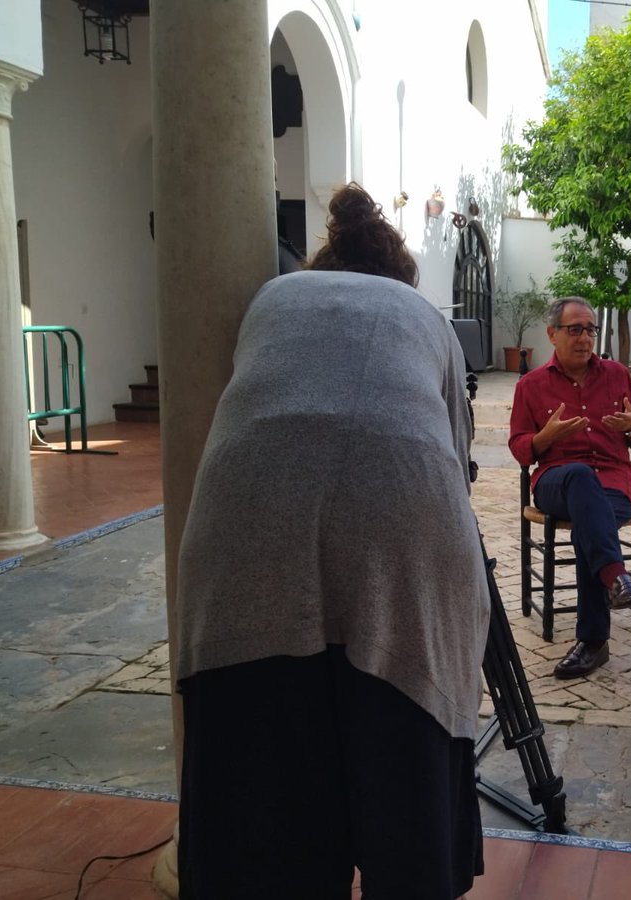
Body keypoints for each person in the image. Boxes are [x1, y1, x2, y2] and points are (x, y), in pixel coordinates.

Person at [174, 183, 488, 899]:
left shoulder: (273, 298)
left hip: (242, 521)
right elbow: (455, 456)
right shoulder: (423, 316)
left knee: (257, 791)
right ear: (398, 274)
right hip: (403, 516)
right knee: (403, 743)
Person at [509, 297, 631, 679]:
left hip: (613, 483)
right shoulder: (531, 385)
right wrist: (544, 437)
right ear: (553, 334)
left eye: (590, 329)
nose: (585, 338)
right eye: (575, 329)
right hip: (557, 481)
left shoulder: (617, 374)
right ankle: (616, 581)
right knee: (579, 476)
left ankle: (594, 641)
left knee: (592, 522)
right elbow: (519, 448)